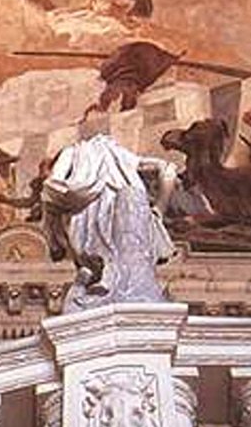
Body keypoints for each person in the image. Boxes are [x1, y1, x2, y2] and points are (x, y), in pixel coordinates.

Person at [41, 122, 178, 310]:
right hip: (131, 214)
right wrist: (158, 211)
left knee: (98, 266)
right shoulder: (124, 158)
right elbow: (168, 170)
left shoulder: (72, 153)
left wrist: (60, 205)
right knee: (131, 271)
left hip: (89, 214)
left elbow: (53, 184)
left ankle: (102, 282)